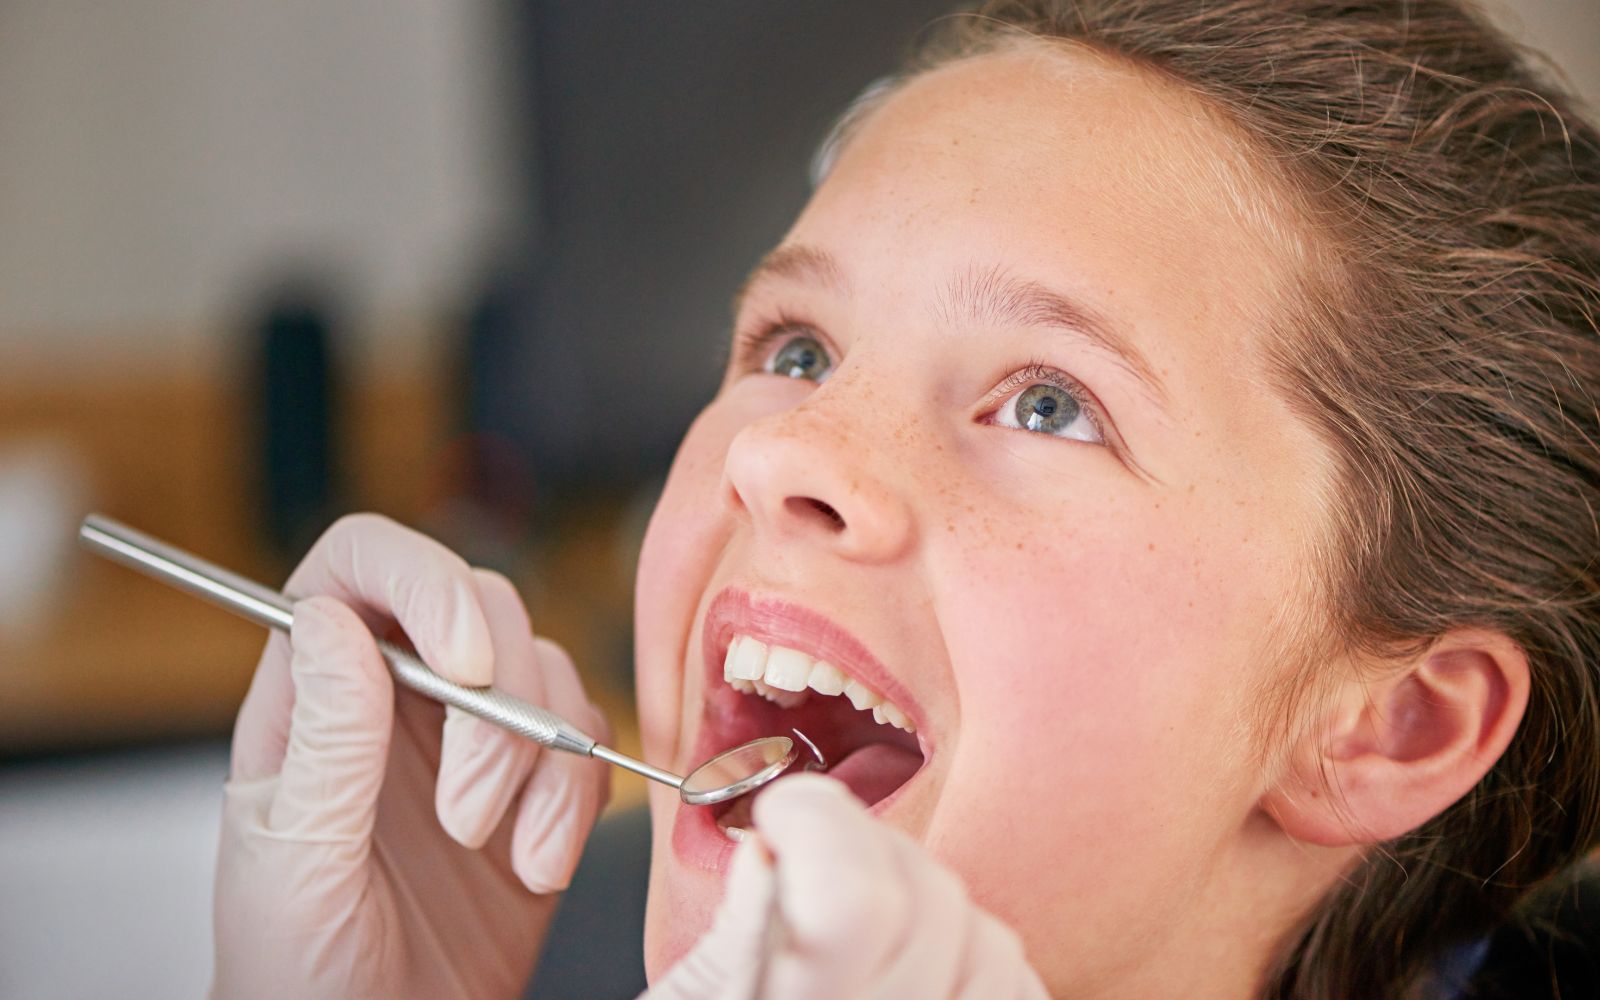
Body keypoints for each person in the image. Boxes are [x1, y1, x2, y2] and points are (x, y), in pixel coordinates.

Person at [208, 1, 1600, 997]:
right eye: (795, 349)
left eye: (1050, 403)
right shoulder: (546, 950)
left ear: (1391, 727)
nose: (783, 451)